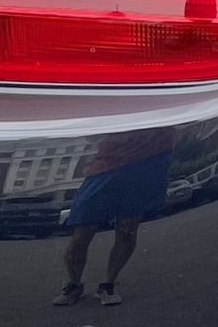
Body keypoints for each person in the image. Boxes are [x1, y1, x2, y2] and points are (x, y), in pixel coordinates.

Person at [54, 128, 176, 306]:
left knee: (128, 228)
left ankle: (108, 284)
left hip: (149, 158)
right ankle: (74, 284)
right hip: (108, 163)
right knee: (83, 229)